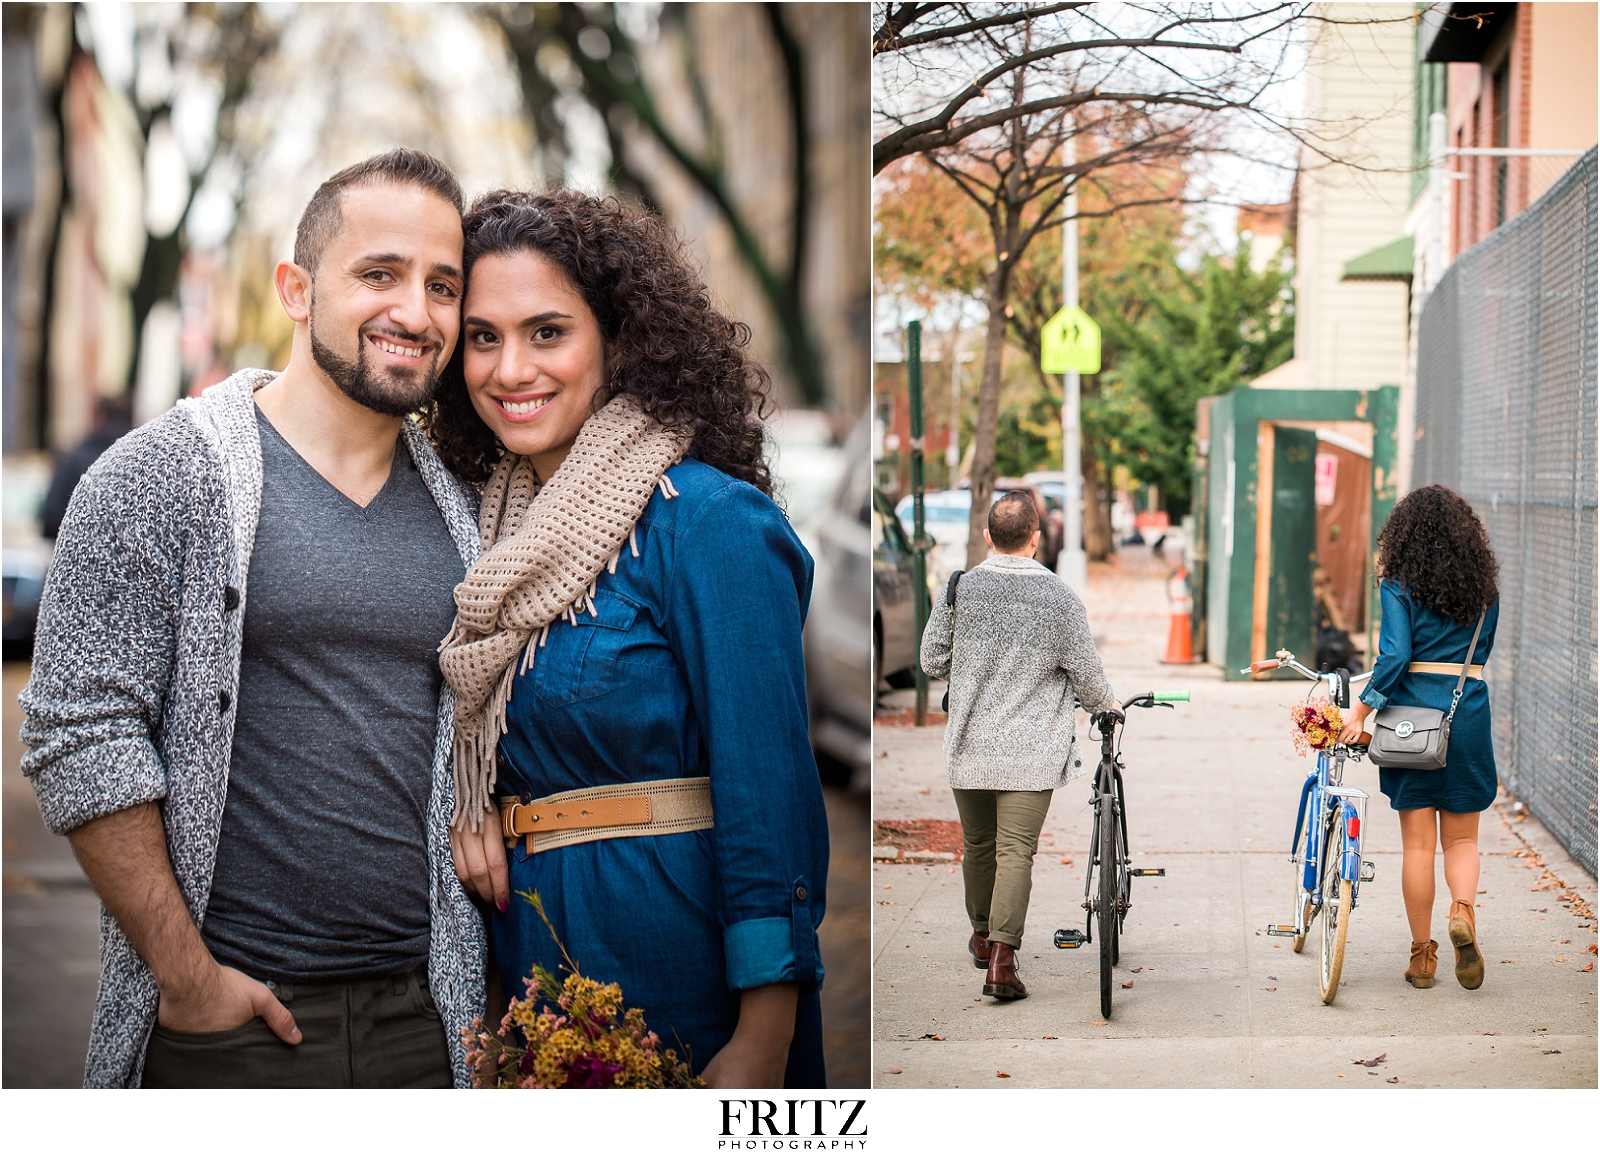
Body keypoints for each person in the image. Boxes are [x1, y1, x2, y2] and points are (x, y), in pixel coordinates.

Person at [20, 149, 486, 1088]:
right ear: (296, 289)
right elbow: (78, 732)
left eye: (443, 284)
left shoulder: (473, 514)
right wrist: (186, 978)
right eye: (380, 274)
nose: (416, 311)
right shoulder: (160, 478)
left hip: (432, 1018)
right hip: (231, 1021)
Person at [433, 189, 828, 1088]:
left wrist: (763, 1035)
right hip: (534, 962)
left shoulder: (708, 521)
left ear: (618, 340)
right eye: (484, 337)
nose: (509, 368)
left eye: (547, 332)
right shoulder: (488, 539)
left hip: (678, 955)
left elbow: (770, 794)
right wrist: (465, 806)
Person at [920, 490, 1119, 1000]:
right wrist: (1108, 706)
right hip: (1032, 754)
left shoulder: (960, 589)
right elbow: (1090, 680)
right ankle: (1002, 963)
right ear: (1037, 539)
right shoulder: (1060, 598)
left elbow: (930, 661)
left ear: (988, 538)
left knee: (980, 845)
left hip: (969, 745)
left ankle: (983, 938)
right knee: (1015, 852)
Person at [1339, 484, 1500, 992]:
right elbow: (1482, 653)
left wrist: (1360, 712)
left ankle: (1422, 957)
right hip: (1466, 709)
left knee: (1417, 845)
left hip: (1411, 719)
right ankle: (1464, 913)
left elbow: (1394, 656)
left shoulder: (1398, 584)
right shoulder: (1484, 590)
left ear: (1403, 535)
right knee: (1463, 838)